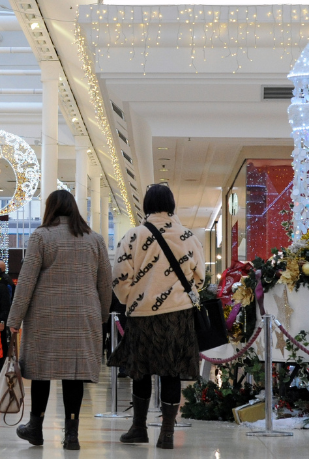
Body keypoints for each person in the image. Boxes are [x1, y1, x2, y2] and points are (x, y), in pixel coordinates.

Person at [8, 190, 112, 451]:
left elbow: (26, 282)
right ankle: (72, 435)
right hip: (83, 315)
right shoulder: (95, 239)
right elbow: (105, 283)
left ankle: (35, 428)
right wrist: (101, 316)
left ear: (50, 209)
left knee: (41, 372)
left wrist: (14, 319)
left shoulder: (41, 236)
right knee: (74, 374)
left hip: (45, 316)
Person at [109, 183, 205, 450]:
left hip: (142, 315)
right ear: (171, 205)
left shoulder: (134, 235)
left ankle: (139, 428)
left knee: (140, 372)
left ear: (146, 206)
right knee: (171, 373)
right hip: (178, 314)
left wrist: (131, 298)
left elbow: (119, 276)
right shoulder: (187, 236)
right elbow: (200, 277)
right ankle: (167, 434)